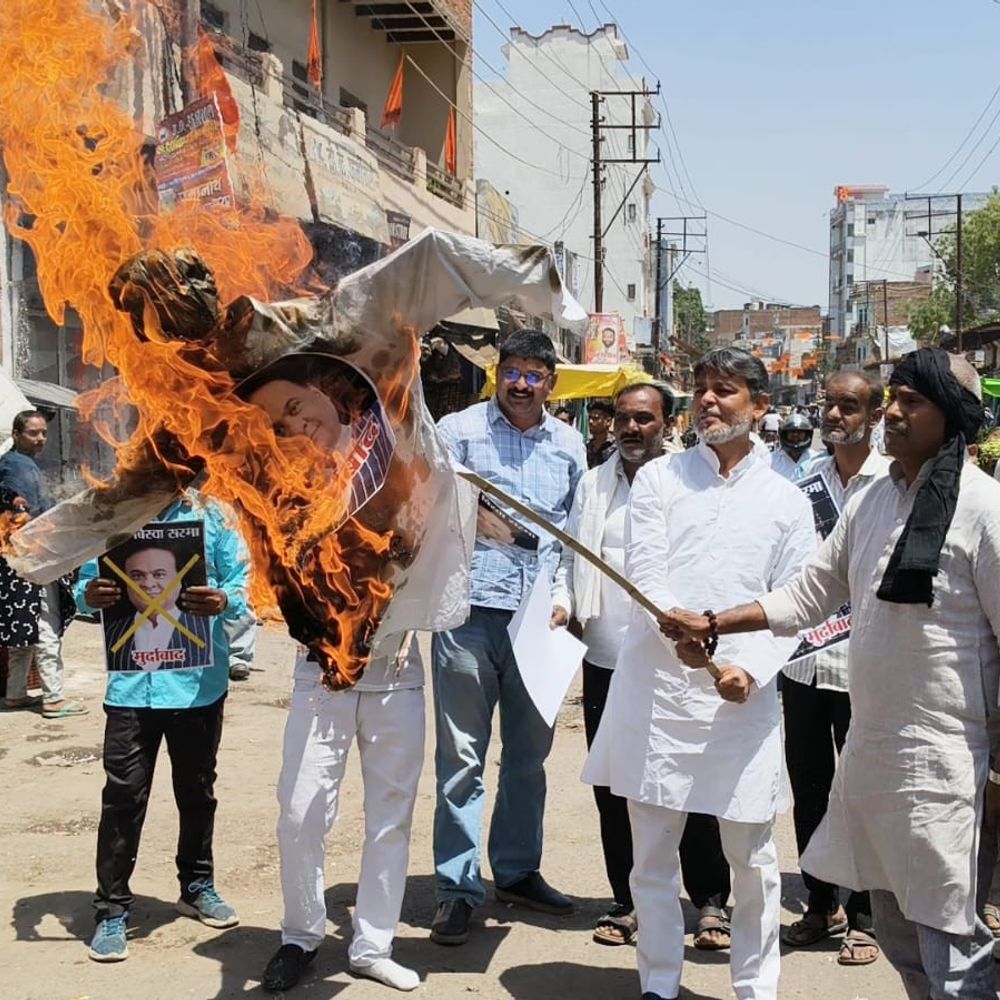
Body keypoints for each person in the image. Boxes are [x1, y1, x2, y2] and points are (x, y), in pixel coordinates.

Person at [663, 348, 1000, 999]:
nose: (893, 413)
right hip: (874, 758)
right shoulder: (872, 501)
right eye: (893, 397)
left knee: (952, 949)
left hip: (950, 763)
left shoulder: (984, 509)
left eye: (911, 402)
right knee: (902, 940)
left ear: (951, 417)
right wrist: (714, 624)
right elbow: (807, 595)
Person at [583, 347, 816, 1000]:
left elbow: (794, 603)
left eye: (727, 390)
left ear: (761, 407)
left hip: (741, 702)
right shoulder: (660, 480)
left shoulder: (788, 502)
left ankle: (755, 987)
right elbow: (645, 572)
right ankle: (659, 984)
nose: (709, 401)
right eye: (702, 389)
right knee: (652, 860)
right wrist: (674, 623)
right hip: (658, 694)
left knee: (754, 860)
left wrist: (747, 665)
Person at [560, 382, 733, 951]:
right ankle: (628, 899)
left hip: (677, 661)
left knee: (690, 778)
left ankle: (709, 900)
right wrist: (569, 605)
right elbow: (571, 556)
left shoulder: (694, 482)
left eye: (643, 419)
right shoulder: (593, 484)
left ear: (667, 424)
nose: (630, 429)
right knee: (616, 783)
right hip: (609, 657)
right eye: (622, 419)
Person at [430, 330, 586, 946]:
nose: (521, 384)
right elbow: (427, 510)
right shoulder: (458, 431)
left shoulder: (571, 445)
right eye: (512, 371)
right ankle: (456, 888)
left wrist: (564, 599)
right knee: (461, 758)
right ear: (499, 374)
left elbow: (577, 536)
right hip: (465, 615)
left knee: (528, 759)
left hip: (537, 626)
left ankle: (517, 871)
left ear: (552, 382)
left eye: (534, 374)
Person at [77, 491, 249, 963]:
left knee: (197, 790)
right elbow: (85, 584)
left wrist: (224, 599)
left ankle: (196, 887)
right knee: (123, 796)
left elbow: (243, 584)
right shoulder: (116, 511)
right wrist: (89, 596)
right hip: (131, 690)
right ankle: (112, 909)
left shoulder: (213, 515)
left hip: (197, 686)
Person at [779, 370, 888, 967]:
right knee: (810, 785)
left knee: (866, 788)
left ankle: (868, 911)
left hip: (870, 665)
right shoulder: (803, 483)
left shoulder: (893, 483)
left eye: (849, 406)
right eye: (830, 405)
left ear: (872, 415)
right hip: (806, 664)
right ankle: (821, 903)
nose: (834, 415)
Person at [261, 637, 425, 993]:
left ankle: (373, 947)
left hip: (396, 679)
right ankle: (300, 937)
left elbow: (440, 593)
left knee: (391, 820)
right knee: (299, 815)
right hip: (321, 676)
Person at [0, 410, 84, 718]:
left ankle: (15, 694)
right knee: (45, 625)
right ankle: (53, 697)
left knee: (25, 629)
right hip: (34, 559)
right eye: (34, 433)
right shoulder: (17, 467)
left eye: (44, 433)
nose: (41, 439)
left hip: (17, 562)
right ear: (18, 434)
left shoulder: (16, 464)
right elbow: (23, 509)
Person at [102, 542, 213, 672]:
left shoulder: (202, 630)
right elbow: (85, 584)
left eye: (159, 574)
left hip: (195, 690)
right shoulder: (114, 631)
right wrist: (87, 594)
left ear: (179, 580)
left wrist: (226, 599)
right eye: (137, 576)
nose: (148, 584)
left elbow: (237, 579)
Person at [769, 411, 821, 481]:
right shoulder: (771, 460)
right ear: (784, 434)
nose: (795, 435)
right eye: (791, 431)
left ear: (807, 434)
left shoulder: (817, 460)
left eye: (800, 432)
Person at [586, 399, 616, 468]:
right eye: (589, 418)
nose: (590, 421)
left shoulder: (616, 448)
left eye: (595, 418)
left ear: (608, 421)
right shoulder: (586, 448)